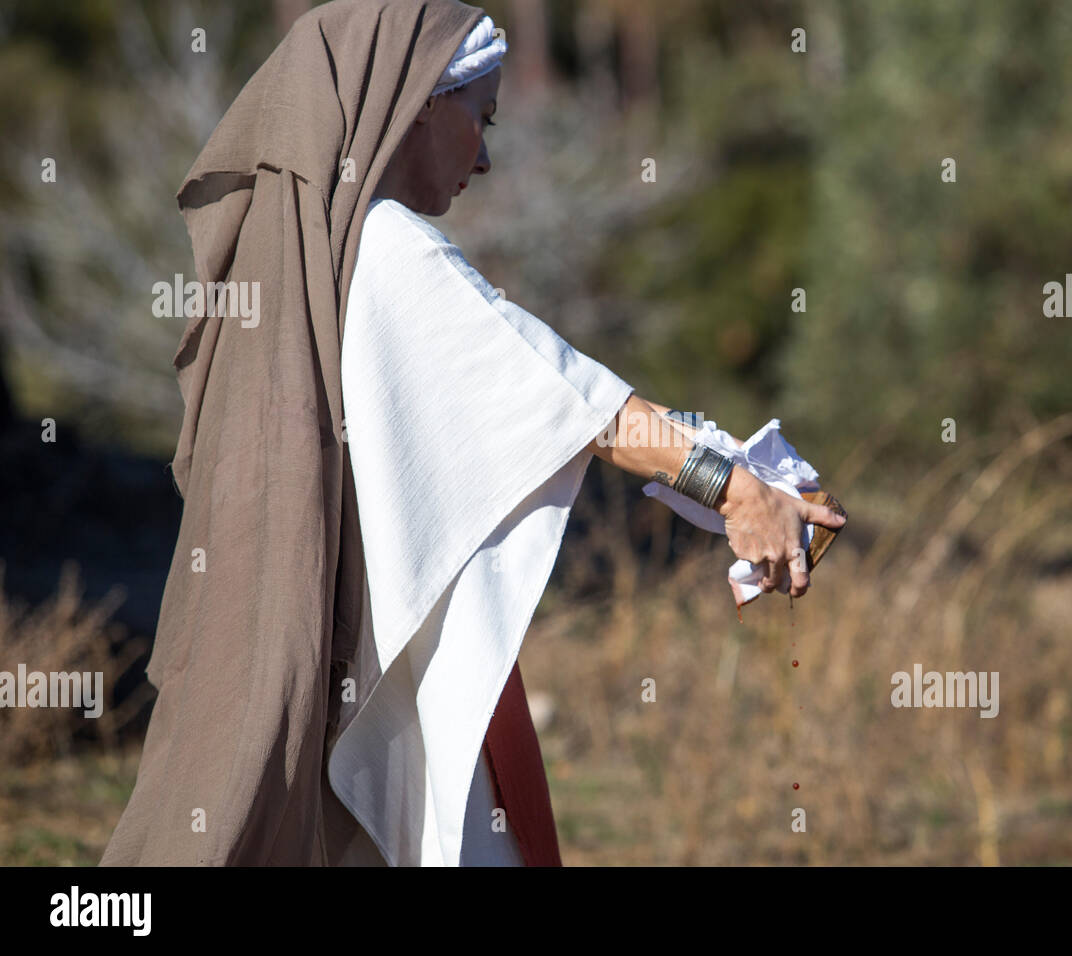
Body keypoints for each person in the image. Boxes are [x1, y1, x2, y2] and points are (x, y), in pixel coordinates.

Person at [100, 0, 844, 867]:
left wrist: (742, 472)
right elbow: (570, 400)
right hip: (383, 681)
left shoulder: (311, 249)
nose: (486, 157)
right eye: (480, 118)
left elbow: (542, 393)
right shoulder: (383, 248)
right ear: (418, 101)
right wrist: (735, 486)